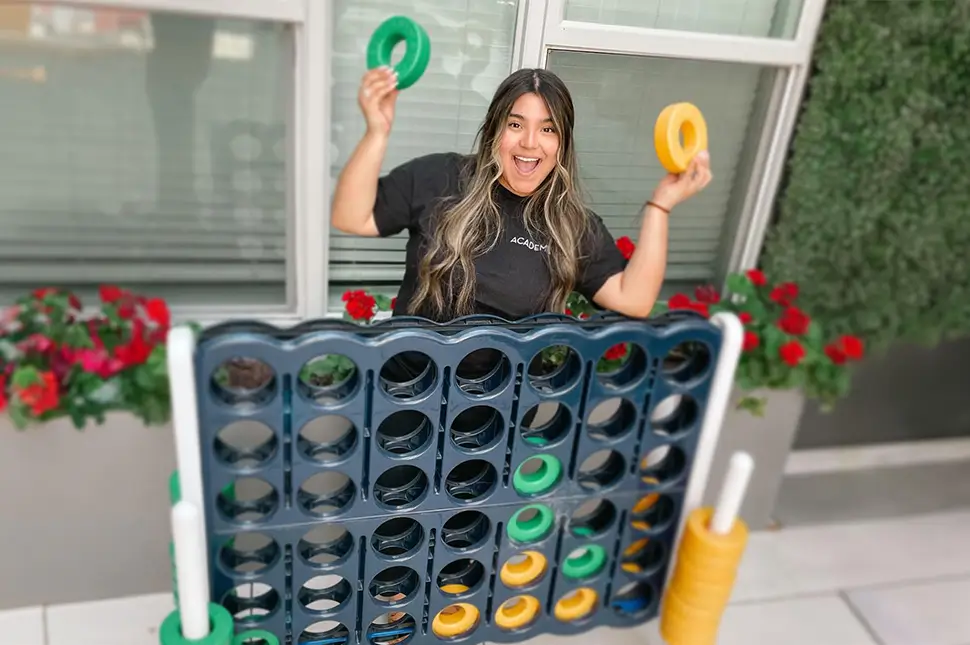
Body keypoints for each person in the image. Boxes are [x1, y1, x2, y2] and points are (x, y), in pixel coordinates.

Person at [331, 66, 711, 324]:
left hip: (503, 409)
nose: (530, 143)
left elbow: (634, 299)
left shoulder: (571, 225)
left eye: (548, 129)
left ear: (562, 144)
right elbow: (351, 217)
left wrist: (661, 206)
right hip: (408, 393)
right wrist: (377, 132)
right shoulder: (438, 177)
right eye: (516, 124)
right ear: (494, 130)